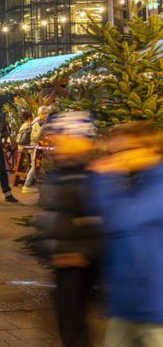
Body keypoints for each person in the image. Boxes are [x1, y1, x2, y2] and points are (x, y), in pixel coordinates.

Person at [89, 121, 163, 346]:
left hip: (155, 306)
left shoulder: (158, 184)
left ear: (148, 148)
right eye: (114, 152)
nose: (117, 158)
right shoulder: (136, 182)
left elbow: (124, 220)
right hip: (127, 304)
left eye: (123, 151)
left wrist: (103, 178)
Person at [32, 112, 101, 347]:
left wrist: (79, 251)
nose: (56, 143)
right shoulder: (64, 172)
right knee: (71, 327)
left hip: (76, 264)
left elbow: (95, 219)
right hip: (64, 260)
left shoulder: (87, 174)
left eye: (62, 137)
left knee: (74, 330)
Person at [22, 106, 52, 194]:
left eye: (46, 113)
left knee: (44, 166)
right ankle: (26, 185)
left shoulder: (47, 122)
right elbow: (34, 138)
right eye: (42, 113)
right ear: (39, 114)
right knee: (35, 166)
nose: (44, 115)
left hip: (45, 148)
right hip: (36, 148)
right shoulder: (37, 123)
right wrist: (42, 130)